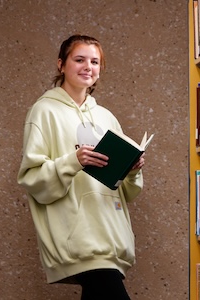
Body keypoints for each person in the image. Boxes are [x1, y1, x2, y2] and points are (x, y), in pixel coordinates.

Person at [17, 34, 144, 300]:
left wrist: (131, 170)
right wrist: (74, 161)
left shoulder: (106, 117)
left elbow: (128, 192)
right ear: (61, 64)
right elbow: (32, 179)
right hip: (77, 240)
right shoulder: (44, 111)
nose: (88, 66)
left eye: (95, 61)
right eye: (80, 59)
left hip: (111, 239)